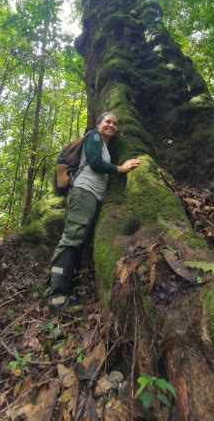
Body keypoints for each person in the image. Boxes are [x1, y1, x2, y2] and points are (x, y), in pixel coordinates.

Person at [49, 111, 140, 312]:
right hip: (84, 191)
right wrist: (121, 169)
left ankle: (69, 290)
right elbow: (95, 162)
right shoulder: (94, 136)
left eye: (115, 123)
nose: (112, 125)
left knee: (79, 241)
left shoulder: (105, 145)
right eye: (108, 121)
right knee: (71, 239)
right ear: (99, 124)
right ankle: (57, 297)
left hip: (92, 195)